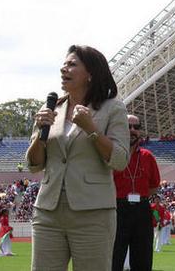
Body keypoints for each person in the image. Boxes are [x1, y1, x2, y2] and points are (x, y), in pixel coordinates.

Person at [26, 44, 131, 271]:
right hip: (47, 211)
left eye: (72, 64)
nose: (64, 69)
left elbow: (120, 160)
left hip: (93, 213)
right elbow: (34, 164)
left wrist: (91, 129)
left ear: (90, 74)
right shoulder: (51, 108)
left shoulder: (113, 109)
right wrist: (39, 135)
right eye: (64, 64)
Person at [112, 114, 161, 271]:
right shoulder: (111, 153)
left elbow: (154, 186)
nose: (132, 130)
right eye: (128, 126)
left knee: (143, 260)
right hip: (117, 209)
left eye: (136, 127)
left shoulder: (148, 157)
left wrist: (138, 196)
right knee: (113, 259)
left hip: (142, 209)